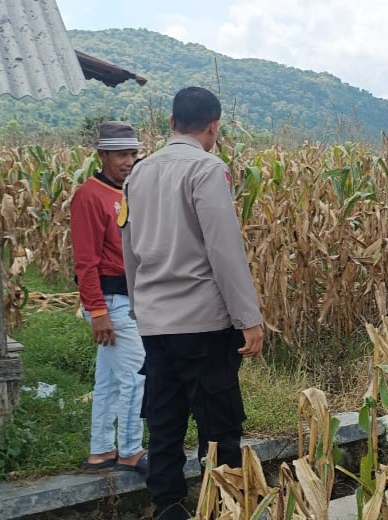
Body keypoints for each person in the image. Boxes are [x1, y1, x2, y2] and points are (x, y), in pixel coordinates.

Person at [121, 86, 264, 520]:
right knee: (219, 426)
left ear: (170, 123)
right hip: (203, 324)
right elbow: (224, 251)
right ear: (214, 126)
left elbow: (129, 251)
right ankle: (223, 505)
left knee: (164, 421)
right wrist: (249, 318)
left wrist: (138, 307)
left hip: (156, 325)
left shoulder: (137, 174)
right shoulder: (207, 169)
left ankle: (167, 506)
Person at [70, 121, 148, 473]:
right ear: (101, 155)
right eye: (121, 154)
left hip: (125, 298)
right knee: (137, 375)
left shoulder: (126, 190)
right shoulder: (89, 196)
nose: (129, 160)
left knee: (110, 380)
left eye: (133, 153)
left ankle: (101, 450)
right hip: (110, 300)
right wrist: (97, 311)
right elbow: (85, 261)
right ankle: (131, 450)